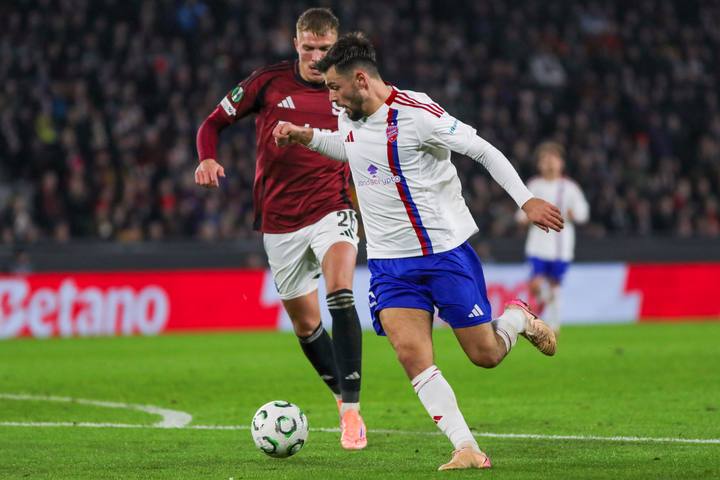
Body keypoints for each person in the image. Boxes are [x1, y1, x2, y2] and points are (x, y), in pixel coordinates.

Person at [273, 32, 563, 470]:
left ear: (361, 80)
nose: (329, 96)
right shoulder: (347, 114)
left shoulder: (417, 114)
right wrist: (306, 136)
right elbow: (350, 148)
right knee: (411, 355)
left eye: (334, 87)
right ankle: (466, 447)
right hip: (390, 263)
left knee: (485, 355)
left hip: (443, 253)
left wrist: (526, 199)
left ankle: (517, 318)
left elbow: (482, 150)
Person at [194, 9, 366, 450]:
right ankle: (339, 395)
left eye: (324, 49)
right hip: (279, 221)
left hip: (332, 206)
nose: (316, 57)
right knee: (306, 324)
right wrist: (207, 157)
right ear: (295, 45)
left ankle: (352, 412)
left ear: (336, 46)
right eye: (308, 48)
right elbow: (212, 123)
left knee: (340, 292)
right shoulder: (267, 83)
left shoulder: (351, 88)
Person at [516, 142, 589, 332]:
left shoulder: (570, 187)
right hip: (537, 245)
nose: (549, 163)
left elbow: (583, 213)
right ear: (539, 164)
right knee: (535, 284)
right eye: (545, 159)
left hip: (561, 247)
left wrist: (575, 214)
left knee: (555, 285)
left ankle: (555, 326)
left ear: (561, 163)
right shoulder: (534, 185)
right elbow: (521, 212)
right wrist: (523, 218)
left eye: (553, 159)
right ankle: (546, 301)